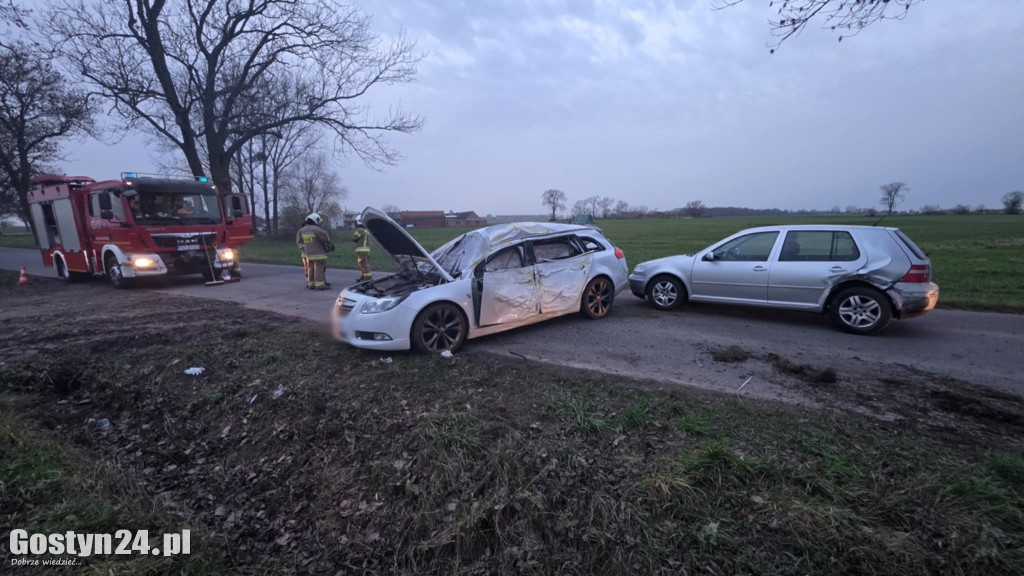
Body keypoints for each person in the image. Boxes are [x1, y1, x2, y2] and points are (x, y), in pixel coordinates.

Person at [296, 213, 333, 290]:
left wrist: (304, 250)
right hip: (319, 254)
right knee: (319, 268)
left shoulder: (302, 230)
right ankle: (320, 285)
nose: (318, 222)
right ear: (314, 220)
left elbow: (299, 242)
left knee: (311, 269)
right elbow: (325, 238)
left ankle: (311, 284)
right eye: (318, 220)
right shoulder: (316, 229)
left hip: (308, 254)